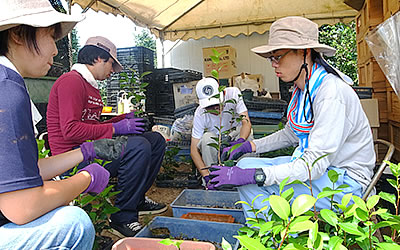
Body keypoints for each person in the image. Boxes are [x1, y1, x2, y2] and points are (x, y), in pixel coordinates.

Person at [208, 16, 375, 219]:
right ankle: (276, 232)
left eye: (278, 57)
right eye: (271, 58)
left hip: (345, 183)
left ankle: (276, 236)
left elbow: (313, 165)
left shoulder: (330, 93)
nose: (273, 64)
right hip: (322, 171)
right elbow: (292, 134)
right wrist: (249, 146)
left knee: (251, 180)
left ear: (305, 52)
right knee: (244, 166)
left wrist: (255, 176)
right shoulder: (303, 89)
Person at [0, 0, 120, 249]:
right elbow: (22, 206)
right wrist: (87, 178)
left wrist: (83, 152)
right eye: (51, 37)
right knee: (73, 223)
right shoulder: (8, 91)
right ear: (18, 34)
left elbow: (23, 171)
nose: (55, 50)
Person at [46, 36, 167, 237]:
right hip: (72, 160)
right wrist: (116, 128)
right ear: (99, 58)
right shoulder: (71, 82)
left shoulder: (91, 86)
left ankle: (136, 200)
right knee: (137, 147)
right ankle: (122, 218)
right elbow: (70, 130)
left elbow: (91, 126)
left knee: (155, 140)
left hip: (92, 151)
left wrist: (121, 119)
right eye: (112, 64)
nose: (112, 72)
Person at [190, 77, 252, 188]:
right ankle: (213, 179)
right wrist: (205, 176)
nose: (215, 109)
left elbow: (246, 123)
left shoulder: (233, 94)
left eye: (217, 104)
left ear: (223, 93)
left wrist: (241, 141)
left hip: (234, 135)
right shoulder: (200, 113)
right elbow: (194, 150)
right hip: (216, 138)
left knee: (248, 135)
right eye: (209, 107)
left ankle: (245, 179)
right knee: (207, 138)